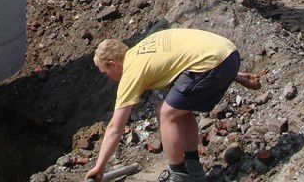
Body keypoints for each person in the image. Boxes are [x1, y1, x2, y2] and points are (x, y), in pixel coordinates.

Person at [85, 29, 261, 182]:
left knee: (165, 113)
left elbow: (115, 127)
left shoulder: (132, 71)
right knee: (180, 110)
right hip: (228, 54)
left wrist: (100, 167)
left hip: (213, 64)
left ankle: (179, 175)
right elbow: (190, 53)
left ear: (114, 64)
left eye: (105, 72)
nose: (107, 77)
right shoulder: (145, 48)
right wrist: (234, 75)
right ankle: (193, 171)